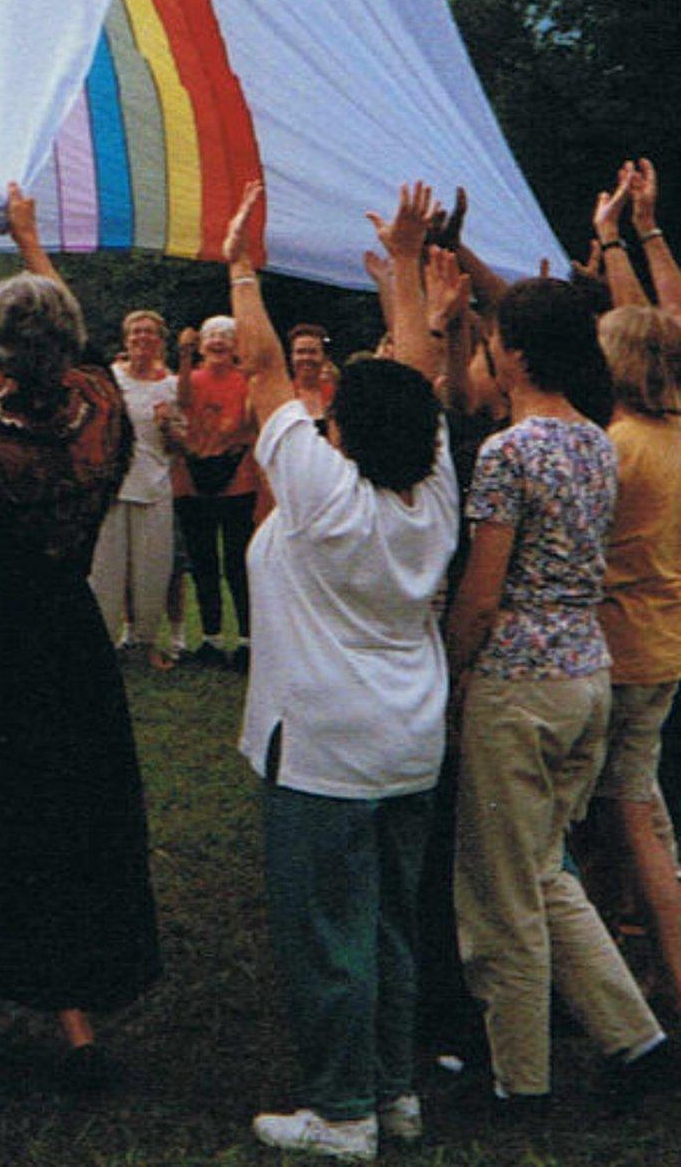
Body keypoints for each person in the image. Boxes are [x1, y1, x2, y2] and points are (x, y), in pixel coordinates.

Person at [232, 184, 460, 1161]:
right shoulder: (432, 489)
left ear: (346, 430)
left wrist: (242, 271)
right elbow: (417, 384)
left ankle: (341, 1112)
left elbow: (260, 368)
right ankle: (394, 1091)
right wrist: (403, 268)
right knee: (392, 927)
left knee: (331, 936)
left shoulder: (325, 496)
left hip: (324, 752)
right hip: (407, 743)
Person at [0, 184, 160, 1089]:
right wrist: (29, 238)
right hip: (71, 634)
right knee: (70, 819)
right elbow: (76, 338)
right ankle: (75, 1020)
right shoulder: (102, 405)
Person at [448, 275, 677, 1112]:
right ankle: (636, 1039)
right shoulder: (596, 441)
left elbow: (483, 592)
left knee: (499, 891)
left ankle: (521, 1079)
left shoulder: (508, 453)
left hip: (520, 681)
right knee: (544, 870)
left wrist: (452, 668)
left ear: (513, 353)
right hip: (588, 671)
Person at [584, 305, 681, 1017]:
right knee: (635, 805)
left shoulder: (616, 447)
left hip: (621, 647)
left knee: (633, 812)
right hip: (662, 644)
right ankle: (634, 953)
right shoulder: (672, 438)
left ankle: (670, 969)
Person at [89, 308, 181, 666]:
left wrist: (168, 426)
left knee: (152, 572)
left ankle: (144, 643)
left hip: (154, 486)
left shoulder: (171, 385)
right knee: (106, 572)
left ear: (160, 341)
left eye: (149, 332)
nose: (142, 338)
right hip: (111, 487)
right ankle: (102, 644)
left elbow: (179, 445)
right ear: (126, 340)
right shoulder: (110, 379)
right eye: (136, 332)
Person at [173, 313, 257, 666]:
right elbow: (181, 402)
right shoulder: (189, 378)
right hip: (193, 482)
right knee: (203, 562)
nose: (218, 342)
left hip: (238, 481)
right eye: (211, 336)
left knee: (239, 564)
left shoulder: (246, 381)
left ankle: (247, 640)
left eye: (225, 336)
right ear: (201, 344)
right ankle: (210, 637)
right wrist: (183, 355)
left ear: (236, 346)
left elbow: (250, 421)